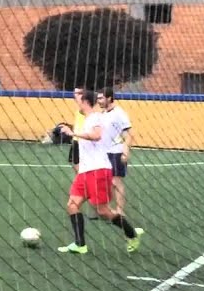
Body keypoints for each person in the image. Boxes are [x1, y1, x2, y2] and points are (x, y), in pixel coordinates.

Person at [57, 90, 142, 254]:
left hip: (98, 170)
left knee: (103, 211)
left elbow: (96, 135)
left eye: (77, 98)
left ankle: (132, 234)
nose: (75, 101)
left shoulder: (96, 117)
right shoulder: (86, 119)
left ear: (85, 101)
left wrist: (73, 133)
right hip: (85, 171)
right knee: (72, 205)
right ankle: (80, 245)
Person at [97, 87, 132, 214]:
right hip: (103, 152)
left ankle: (120, 211)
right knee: (104, 181)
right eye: (97, 98)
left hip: (116, 151)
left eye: (101, 98)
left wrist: (125, 151)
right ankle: (105, 209)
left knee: (116, 181)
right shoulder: (102, 114)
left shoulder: (119, 113)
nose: (98, 101)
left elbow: (128, 135)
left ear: (109, 98)